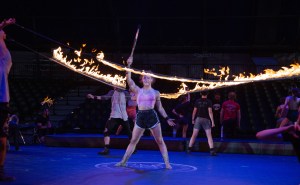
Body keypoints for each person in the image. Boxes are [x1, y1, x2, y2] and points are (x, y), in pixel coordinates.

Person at [115, 56, 175, 169]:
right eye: (144, 78)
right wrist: (128, 66)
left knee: (160, 141)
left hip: (152, 116)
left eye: (148, 78)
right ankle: (123, 161)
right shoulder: (137, 90)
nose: (146, 79)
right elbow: (129, 80)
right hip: (141, 116)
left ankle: (167, 163)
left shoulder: (156, 92)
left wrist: (167, 118)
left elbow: (160, 108)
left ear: (152, 79)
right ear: (142, 79)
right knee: (133, 140)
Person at [87, 87, 132, 155]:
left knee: (129, 133)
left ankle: (133, 148)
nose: (114, 86)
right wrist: (93, 97)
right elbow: (104, 97)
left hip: (124, 117)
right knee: (106, 131)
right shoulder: (112, 92)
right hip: (114, 115)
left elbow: (132, 101)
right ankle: (106, 149)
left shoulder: (125, 93)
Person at [0, 18, 16, 181]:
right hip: (2, 103)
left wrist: (3, 27)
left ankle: (0, 170)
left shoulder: (4, 62)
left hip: (2, 103)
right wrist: (2, 27)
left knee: (2, 139)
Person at [187, 91, 217, 156]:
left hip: (198, 119)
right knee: (209, 136)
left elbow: (194, 111)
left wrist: (192, 119)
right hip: (206, 119)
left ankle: (189, 149)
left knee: (194, 135)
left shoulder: (197, 101)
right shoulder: (209, 101)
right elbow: (210, 112)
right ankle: (212, 150)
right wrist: (213, 122)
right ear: (207, 93)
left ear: (200, 94)